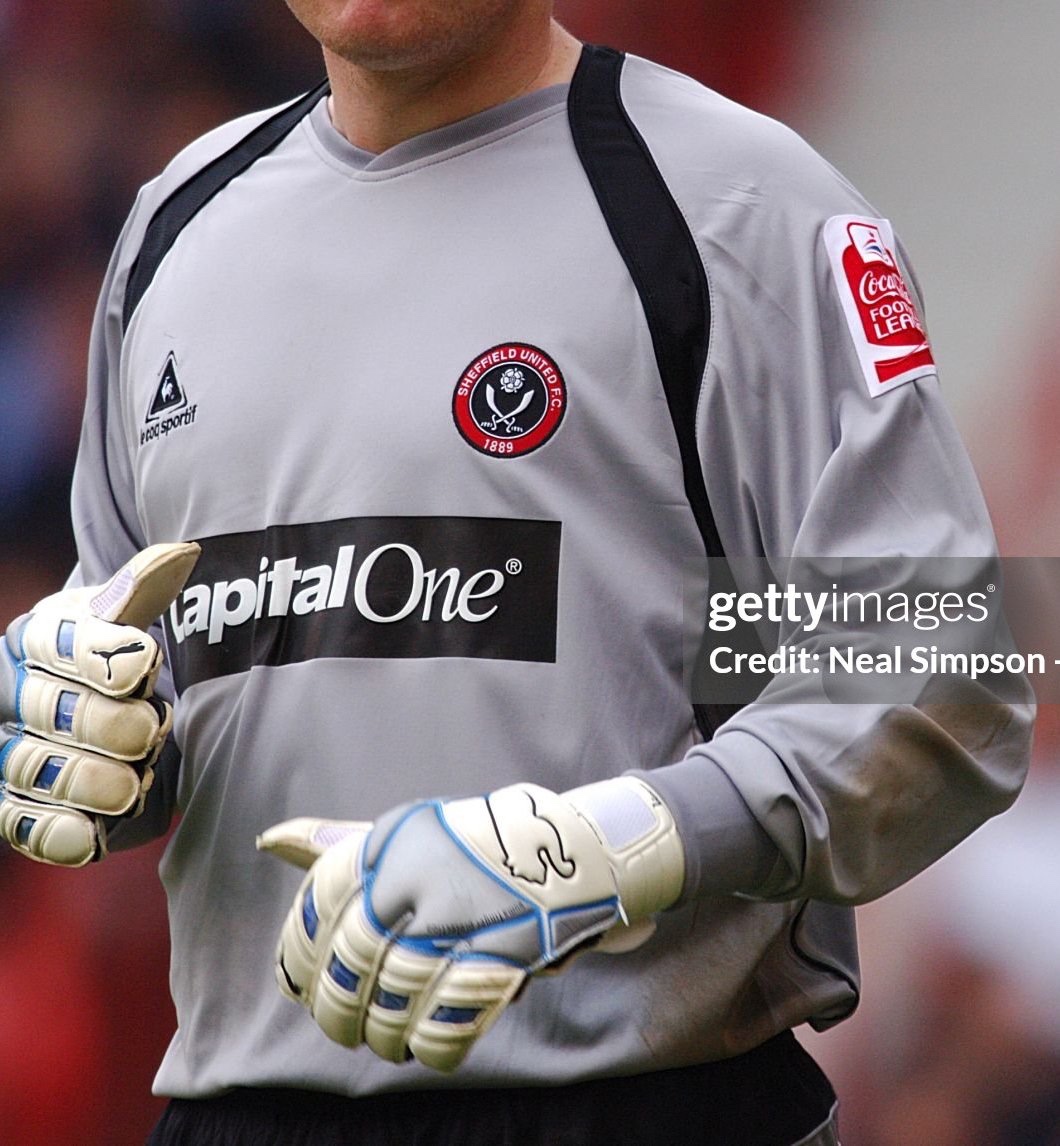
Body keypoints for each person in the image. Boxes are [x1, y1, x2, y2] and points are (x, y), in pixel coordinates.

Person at [0, 2, 1034, 1143]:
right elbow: (135, 663)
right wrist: (88, 732)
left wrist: (610, 849)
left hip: (642, 1104)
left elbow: (931, 672)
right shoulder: (178, 224)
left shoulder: (729, 203)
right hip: (234, 1107)